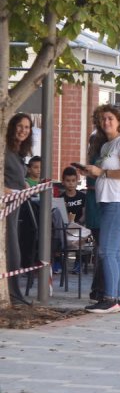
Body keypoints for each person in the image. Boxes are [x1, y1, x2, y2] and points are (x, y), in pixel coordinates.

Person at [80, 104, 120, 314]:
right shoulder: (106, 146)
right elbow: (104, 172)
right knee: (114, 253)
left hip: (119, 203)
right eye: (103, 119)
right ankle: (119, 298)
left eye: (110, 118)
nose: (106, 122)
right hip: (107, 202)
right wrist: (91, 172)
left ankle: (110, 298)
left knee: (107, 251)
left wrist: (101, 172)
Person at [3, 113, 34, 305]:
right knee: (11, 251)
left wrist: (24, 185)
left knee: (15, 250)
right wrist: (6, 190)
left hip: (15, 207)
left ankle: (13, 293)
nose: (23, 130)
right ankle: (13, 295)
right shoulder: (4, 149)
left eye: (27, 127)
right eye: (20, 126)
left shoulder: (19, 152)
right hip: (4, 206)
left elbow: (15, 176)